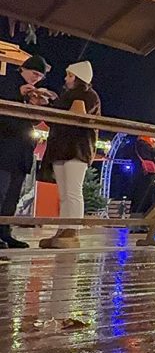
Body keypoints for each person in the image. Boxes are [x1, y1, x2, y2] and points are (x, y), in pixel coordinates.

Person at [39, 61, 101, 249]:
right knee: (64, 193)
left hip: (77, 148)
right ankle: (63, 229)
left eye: (70, 75)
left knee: (73, 191)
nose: (66, 79)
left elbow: (78, 116)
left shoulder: (89, 96)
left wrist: (56, 106)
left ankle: (72, 230)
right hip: (62, 148)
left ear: (79, 78)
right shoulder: (66, 97)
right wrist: (49, 104)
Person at [0, 55, 52, 249]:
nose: (35, 78)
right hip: (4, 147)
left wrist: (37, 104)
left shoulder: (32, 91)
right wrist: (19, 92)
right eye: (34, 73)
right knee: (1, 191)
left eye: (39, 76)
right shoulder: (7, 82)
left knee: (13, 195)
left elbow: (32, 121)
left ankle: (5, 232)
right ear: (23, 69)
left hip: (21, 150)